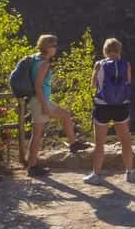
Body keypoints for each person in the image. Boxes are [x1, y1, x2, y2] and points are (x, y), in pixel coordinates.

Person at [26, 34, 90, 177]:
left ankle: (73, 143)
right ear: (47, 47)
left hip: (40, 99)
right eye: (53, 46)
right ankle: (32, 166)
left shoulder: (35, 58)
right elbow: (37, 86)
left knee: (65, 115)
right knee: (36, 134)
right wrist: (44, 106)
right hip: (40, 100)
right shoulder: (44, 63)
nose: (56, 48)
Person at [84, 38, 135, 184]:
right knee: (125, 140)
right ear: (119, 50)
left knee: (99, 142)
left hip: (103, 106)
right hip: (121, 106)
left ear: (105, 51)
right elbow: (128, 82)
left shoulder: (99, 64)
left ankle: (96, 174)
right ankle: (130, 172)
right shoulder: (126, 65)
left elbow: (93, 84)